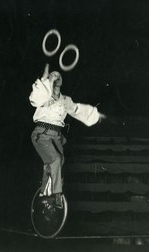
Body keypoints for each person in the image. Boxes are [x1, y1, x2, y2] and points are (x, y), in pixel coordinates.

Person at [29, 64, 106, 208]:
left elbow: (78, 110)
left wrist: (96, 115)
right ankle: (56, 194)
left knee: (58, 161)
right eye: (54, 75)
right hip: (42, 134)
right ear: (49, 80)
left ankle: (44, 194)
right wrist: (45, 79)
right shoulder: (44, 97)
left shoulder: (65, 100)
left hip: (56, 135)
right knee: (55, 160)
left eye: (59, 76)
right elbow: (36, 98)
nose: (57, 77)